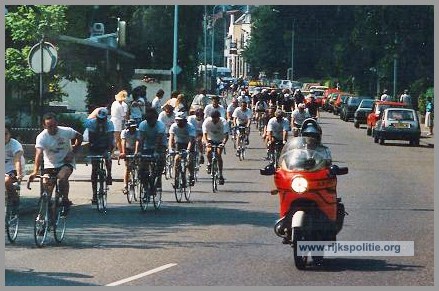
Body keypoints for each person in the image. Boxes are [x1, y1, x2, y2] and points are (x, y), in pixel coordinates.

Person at [28, 112, 83, 210]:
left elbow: (80, 137)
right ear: (44, 126)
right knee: (47, 189)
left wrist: (73, 152)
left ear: (57, 123)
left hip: (65, 162)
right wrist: (35, 171)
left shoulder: (66, 131)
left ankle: (65, 199)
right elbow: (39, 154)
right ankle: (48, 217)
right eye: (49, 127)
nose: (52, 129)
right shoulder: (42, 137)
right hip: (50, 164)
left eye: (54, 126)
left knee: (62, 177)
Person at [84, 107, 115, 204]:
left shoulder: (109, 123)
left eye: (103, 119)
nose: (101, 121)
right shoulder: (92, 123)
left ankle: (109, 174)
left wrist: (109, 151)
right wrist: (92, 148)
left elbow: (110, 138)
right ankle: (94, 194)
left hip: (106, 145)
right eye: (99, 119)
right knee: (94, 168)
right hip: (95, 145)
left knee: (107, 157)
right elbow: (91, 137)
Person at [138, 108, 167, 191]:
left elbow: (159, 140)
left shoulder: (160, 126)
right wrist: (139, 152)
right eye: (148, 119)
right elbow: (141, 140)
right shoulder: (143, 125)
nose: (150, 121)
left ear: (156, 119)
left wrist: (155, 152)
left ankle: (158, 177)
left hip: (160, 145)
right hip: (147, 146)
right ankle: (145, 185)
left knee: (160, 162)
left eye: (152, 119)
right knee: (142, 168)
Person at [168, 112, 196, 186]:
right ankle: (176, 179)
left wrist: (188, 150)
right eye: (177, 120)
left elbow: (191, 140)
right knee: (177, 159)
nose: (178, 122)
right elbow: (171, 138)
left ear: (184, 120)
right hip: (179, 143)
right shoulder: (173, 126)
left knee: (189, 159)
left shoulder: (190, 126)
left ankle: (191, 175)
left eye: (180, 120)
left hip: (188, 143)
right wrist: (170, 148)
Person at [202, 110, 229, 185]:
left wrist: (223, 143)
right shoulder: (207, 122)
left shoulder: (223, 122)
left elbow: (226, 135)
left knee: (218, 155)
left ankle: (220, 174)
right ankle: (209, 163)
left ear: (219, 118)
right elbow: (204, 134)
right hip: (210, 139)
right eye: (213, 118)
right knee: (208, 151)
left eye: (216, 118)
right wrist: (207, 143)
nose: (214, 120)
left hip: (220, 139)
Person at [5, 123, 25, 210]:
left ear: (10, 134)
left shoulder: (15, 145)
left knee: (6, 181)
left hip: (12, 169)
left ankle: (15, 198)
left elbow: (17, 160)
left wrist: (19, 175)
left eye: (5, 134)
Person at [119, 119, 140, 194]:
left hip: (136, 148)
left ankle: (138, 175)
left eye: (134, 127)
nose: (133, 129)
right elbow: (123, 142)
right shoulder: (124, 132)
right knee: (127, 168)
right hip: (127, 149)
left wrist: (136, 152)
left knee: (139, 163)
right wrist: (124, 152)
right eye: (131, 127)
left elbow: (138, 141)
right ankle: (125, 186)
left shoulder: (138, 131)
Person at [111, 90, 129, 156]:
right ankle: (112, 153)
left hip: (113, 120)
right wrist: (128, 120)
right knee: (117, 138)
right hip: (118, 122)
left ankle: (120, 151)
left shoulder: (114, 103)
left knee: (117, 138)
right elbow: (124, 116)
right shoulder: (121, 106)